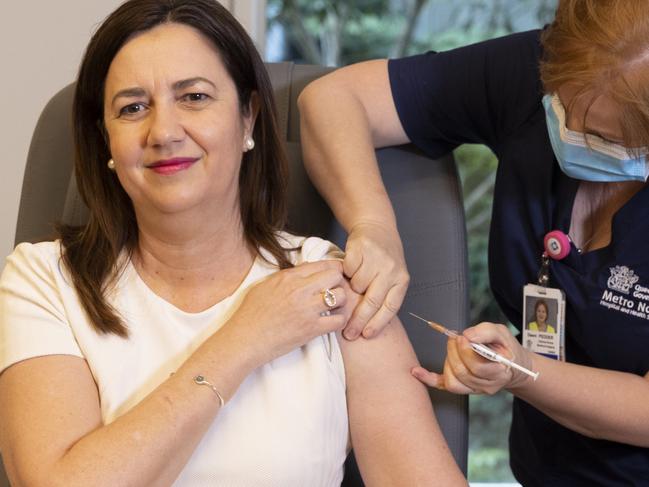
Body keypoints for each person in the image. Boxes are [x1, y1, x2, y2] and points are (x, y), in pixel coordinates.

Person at [0, 1, 467, 485]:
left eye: (195, 97)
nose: (163, 131)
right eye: (132, 108)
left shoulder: (330, 286)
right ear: (106, 143)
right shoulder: (45, 281)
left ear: (248, 118)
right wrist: (245, 337)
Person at [298, 0, 649, 484]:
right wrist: (373, 223)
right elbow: (332, 100)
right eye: (562, 108)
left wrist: (521, 369)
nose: (571, 134)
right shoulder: (542, 68)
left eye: (605, 139)